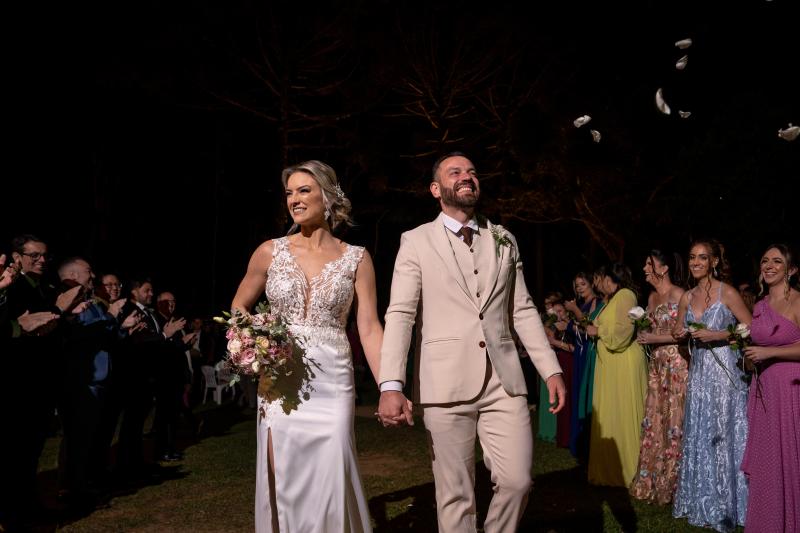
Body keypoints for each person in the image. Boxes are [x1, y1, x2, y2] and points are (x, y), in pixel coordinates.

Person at [378, 152, 566, 533]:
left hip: (505, 381)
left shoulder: (504, 238)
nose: (467, 176)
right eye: (456, 172)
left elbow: (523, 309)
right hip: (443, 383)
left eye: (472, 172)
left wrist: (551, 369)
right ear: (436, 189)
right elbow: (400, 314)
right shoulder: (415, 241)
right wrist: (391, 384)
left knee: (517, 481)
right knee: (455, 495)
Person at [230, 160, 385, 533]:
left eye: (304, 190)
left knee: (332, 466)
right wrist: (256, 343)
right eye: (289, 193)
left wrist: (389, 387)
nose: (294, 200)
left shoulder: (357, 259)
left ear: (328, 196)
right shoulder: (269, 251)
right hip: (280, 378)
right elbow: (238, 308)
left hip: (333, 379)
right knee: (284, 469)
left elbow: (368, 327)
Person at [672, 239, 751, 532]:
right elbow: (680, 332)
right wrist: (679, 333)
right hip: (700, 374)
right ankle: (703, 499)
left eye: (702, 258)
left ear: (714, 262)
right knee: (703, 431)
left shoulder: (727, 292)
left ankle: (732, 502)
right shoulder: (687, 296)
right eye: (692, 257)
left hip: (726, 374)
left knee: (725, 430)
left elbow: (750, 329)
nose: (695, 263)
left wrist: (718, 334)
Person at [741, 244, 800, 533]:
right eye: (765, 260)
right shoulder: (760, 305)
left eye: (777, 261)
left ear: (791, 269)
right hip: (763, 390)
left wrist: (768, 354)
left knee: (791, 457)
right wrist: (749, 354)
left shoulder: (799, 302)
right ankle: (768, 522)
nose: (769, 265)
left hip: (791, 391)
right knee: (768, 461)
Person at [629, 250, 688, 504]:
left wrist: (656, 338)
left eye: (649, 264)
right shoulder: (652, 297)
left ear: (663, 269)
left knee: (676, 418)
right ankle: (653, 477)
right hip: (657, 364)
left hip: (677, 362)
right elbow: (652, 330)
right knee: (656, 418)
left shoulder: (679, 294)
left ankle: (677, 483)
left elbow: (685, 332)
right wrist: (645, 335)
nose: (644, 268)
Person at [585, 263, 647, 487]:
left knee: (623, 413)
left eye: (605, 279)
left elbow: (622, 333)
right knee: (612, 414)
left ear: (614, 279)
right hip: (611, 364)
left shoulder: (625, 295)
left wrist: (598, 331)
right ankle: (611, 470)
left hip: (623, 363)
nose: (602, 283)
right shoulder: (612, 299)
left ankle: (629, 470)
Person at [564, 272, 602, 460]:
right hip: (578, 353)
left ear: (591, 285)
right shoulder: (578, 305)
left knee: (585, 394)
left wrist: (574, 311)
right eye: (577, 285)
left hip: (587, 351)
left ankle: (587, 441)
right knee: (576, 392)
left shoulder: (595, 302)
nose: (580, 288)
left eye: (583, 284)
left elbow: (589, 325)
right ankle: (577, 440)